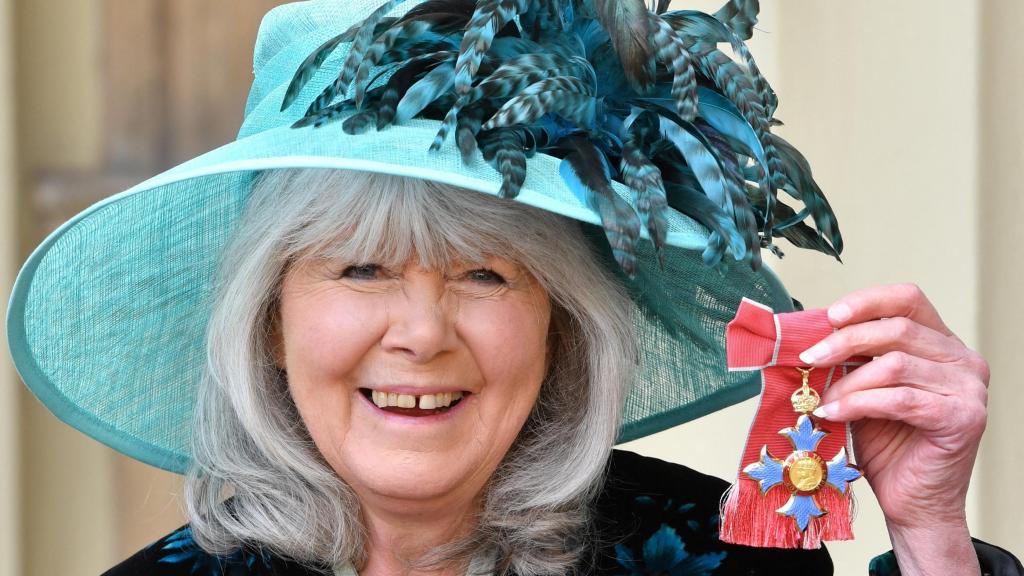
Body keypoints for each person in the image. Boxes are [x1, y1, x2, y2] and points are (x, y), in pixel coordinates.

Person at [6, 0, 1020, 574]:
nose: (419, 333)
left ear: (560, 326)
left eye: (485, 274)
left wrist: (929, 535)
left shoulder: (721, 570)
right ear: (269, 320)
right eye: (359, 267)